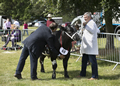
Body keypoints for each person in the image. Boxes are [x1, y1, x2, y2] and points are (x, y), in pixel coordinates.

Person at [77, 12, 98, 80]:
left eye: (86, 17)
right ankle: (82, 74)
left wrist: (85, 26)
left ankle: (94, 76)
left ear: (89, 17)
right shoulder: (87, 23)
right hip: (86, 46)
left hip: (91, 46)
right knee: (84, 61)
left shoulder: (92, 23)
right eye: (84, 17)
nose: (84, 19)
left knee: (93, 62)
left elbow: (92, 31)